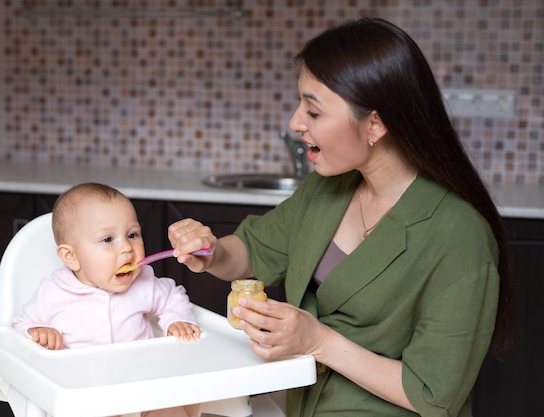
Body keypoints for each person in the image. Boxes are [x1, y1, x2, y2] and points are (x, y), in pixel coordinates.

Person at [168, 17, 513, 417]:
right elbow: (253, 249)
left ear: (376, 123)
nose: (295, 123)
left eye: (313, 112)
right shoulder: (327, 188)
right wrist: (210, 251)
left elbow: (434, 393)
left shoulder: (459, 235)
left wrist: (317, 342)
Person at [14, 183, 201, 417]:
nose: (126, 248)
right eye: (107, 239)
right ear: (71, 257)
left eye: (132, 235)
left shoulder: (143, 282)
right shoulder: (53, 292)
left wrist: (176, 320)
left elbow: (173, 297)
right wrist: (37, 332)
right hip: (85, 395)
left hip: (144, 388)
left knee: (172, 409)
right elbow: (20, 327)